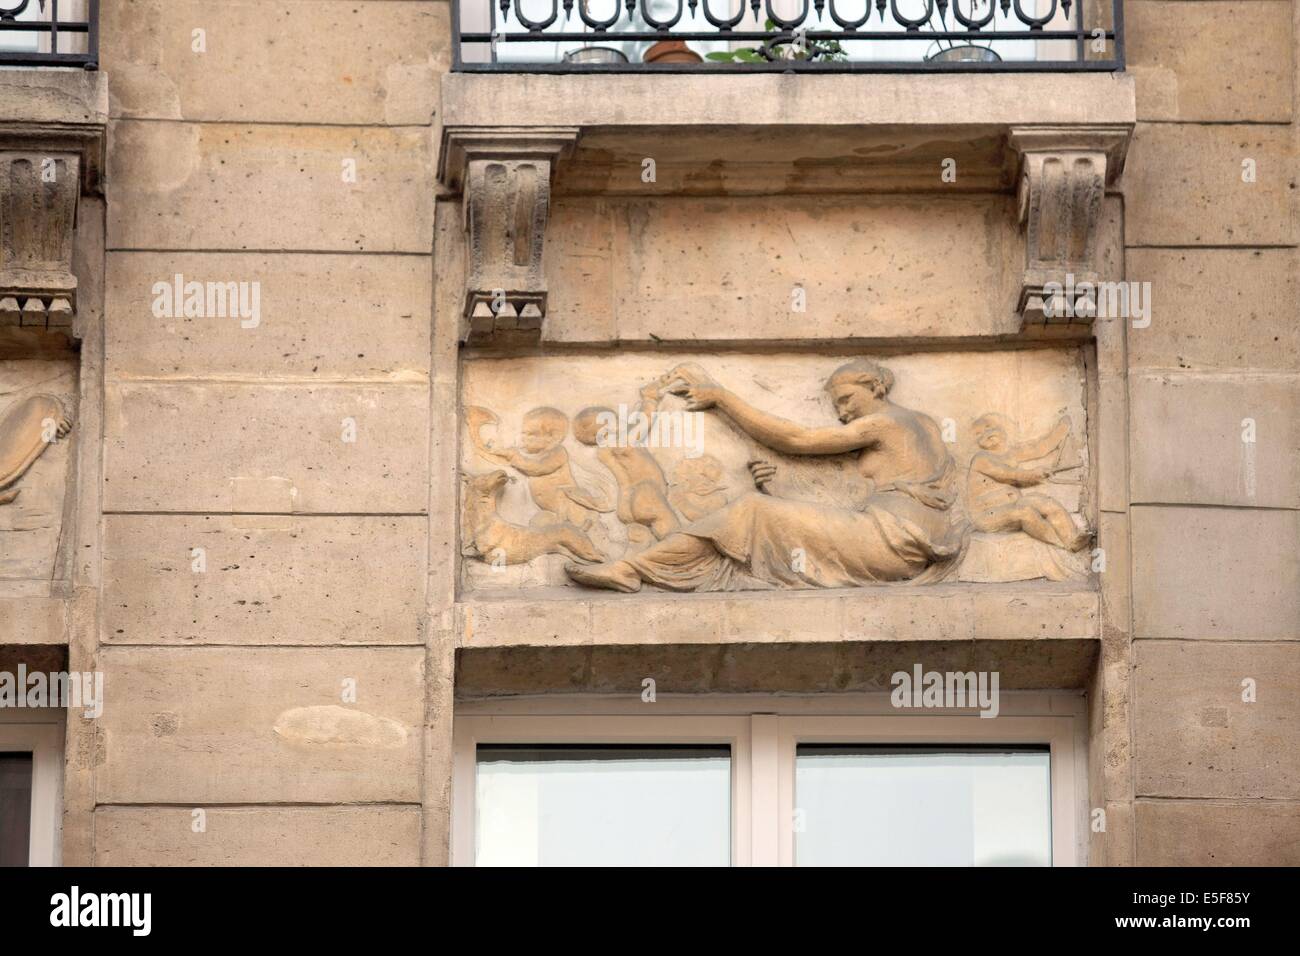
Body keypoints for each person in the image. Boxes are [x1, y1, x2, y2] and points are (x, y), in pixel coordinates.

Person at [564, 360, 966, 593]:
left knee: (751, 511)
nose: (842, 413)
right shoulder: (924, 425)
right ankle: (644, 565)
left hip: (889, 540)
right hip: (896, 537)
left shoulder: (885, 423)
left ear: (876, 386)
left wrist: (722, 398)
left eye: (846, 399)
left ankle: (634, 568)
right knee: (761, 510)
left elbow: (796, 437)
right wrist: (782, 489)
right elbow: (850, 497)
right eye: (837, 405)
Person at [967, 413, 1090, 552]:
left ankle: (1072, 538)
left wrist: (1061, 429)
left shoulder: (1011, 453)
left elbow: (1039, 448)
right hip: (986, 515)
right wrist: (1033, 474)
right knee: (1025, 512)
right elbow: (1006, 474)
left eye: (989, 427)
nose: (986, 433)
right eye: (978, 434)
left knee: (1044, 502)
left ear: (1001, 428)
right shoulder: (981, 458)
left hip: (1012, 505)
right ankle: (1061, 545)